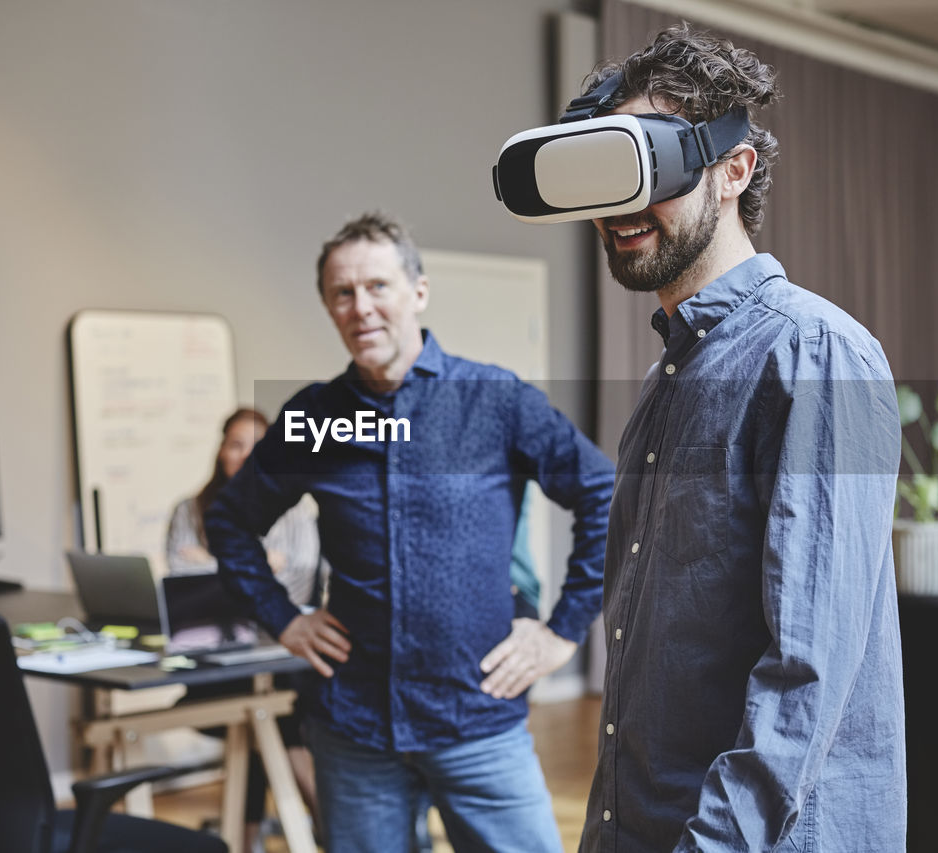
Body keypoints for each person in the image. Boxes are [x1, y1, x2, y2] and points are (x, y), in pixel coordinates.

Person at [563, 25, 907, 853]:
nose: (619, 207)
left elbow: (806, 671)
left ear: (733, 171)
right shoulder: (667, 380)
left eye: (652, 168)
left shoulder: (815, 355)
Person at [204, 212, 615, 853]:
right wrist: (282, 618)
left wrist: (564, 631)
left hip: (477, 719)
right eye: (343, 292)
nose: (360, 307)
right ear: (327, 306)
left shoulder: (494, 401)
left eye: (378, 287)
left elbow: (603, 494)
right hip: (354, 729)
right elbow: (228, 519)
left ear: (417, 292)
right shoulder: (315, 417)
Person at [164, 408, 323, 852]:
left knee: (264, 713)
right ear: (220, 450)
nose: (243, 456)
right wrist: (252, 568)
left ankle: (251, 839)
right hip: (216, 658)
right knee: (260, 716)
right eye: (235, 444)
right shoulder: (193, 508)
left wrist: (213, 566)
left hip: (281, 656)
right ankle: (329, 828)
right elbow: (181, 582)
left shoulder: (295, 517)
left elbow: (291, 591)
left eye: (255, 448)